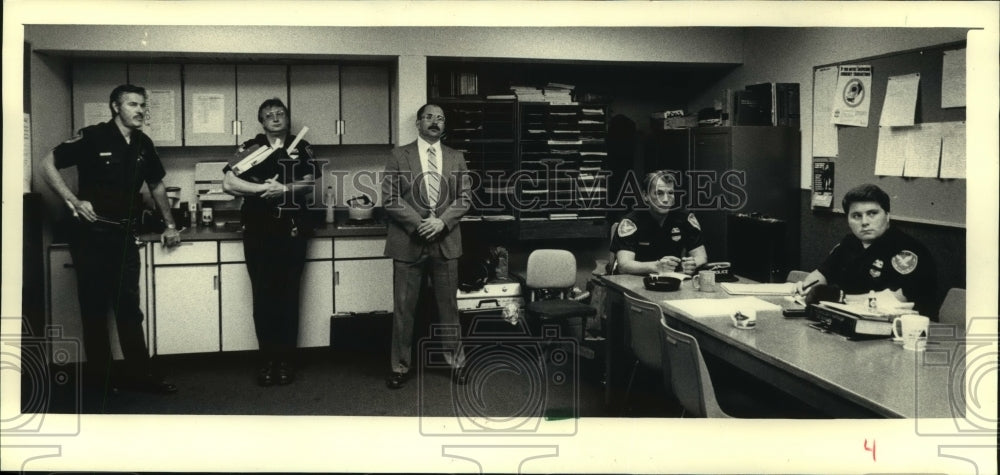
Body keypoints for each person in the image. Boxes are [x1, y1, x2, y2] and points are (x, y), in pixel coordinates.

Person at [40, 84, 180, 394]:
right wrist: (73, 201)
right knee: (94, 308)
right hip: (91, 235)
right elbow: (47, 163)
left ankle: (141, 377)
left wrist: (170, 224)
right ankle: (103, 381)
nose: (140, 110)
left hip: (124, 235)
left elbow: (156, 185)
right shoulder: (92, 137)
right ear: (115, 107)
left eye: (143, 105)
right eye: (132, 104)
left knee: (129, 308)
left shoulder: (144, 144)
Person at [222, 98, 317, 386]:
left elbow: (310, 181)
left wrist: (285, 188)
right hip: (258, 232)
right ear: (261, 123)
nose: (275, 118)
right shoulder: (251, 147)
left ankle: (286, 360)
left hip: (292, 231)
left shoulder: (301, 147)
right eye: (268, 115)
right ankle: (267, 360)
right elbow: (229, 183)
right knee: (263, 297)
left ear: (287, 118)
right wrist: (263, 189)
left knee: (288, 297)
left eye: (280, 113)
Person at [382, 104, 471, 389]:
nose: (435, 122)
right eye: (429, 117)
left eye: (441, 118)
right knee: (404, 308)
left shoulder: (456, 157)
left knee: (449, 308)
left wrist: (441, 223)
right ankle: (399, 366)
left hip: (445, 242)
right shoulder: (399, 155)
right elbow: (390, 197)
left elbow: (464, 198)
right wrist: (421, 222)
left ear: (445, 126)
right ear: (418, 123)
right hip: (408, 242)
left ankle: (456, 363)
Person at [795, 184, 937, 316]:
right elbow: (821, 274)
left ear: (887, 215)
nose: (864, 222)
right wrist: (808, 287)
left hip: (900, 328)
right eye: (856, 216)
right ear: (848, 220)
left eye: (872, 213)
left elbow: (897, 299)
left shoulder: (907, 249)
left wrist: (841, 299)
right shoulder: (850, 242)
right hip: (850, 318)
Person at [610, 170, 708, 276]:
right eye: (659, 193)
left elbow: (701, 256)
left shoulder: (684, 218)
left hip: (670, 281)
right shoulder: (631, 222)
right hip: (634, 280)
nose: (665, 199)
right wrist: (656, 266)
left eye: (670, 193)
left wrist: (693, 264)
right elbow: (624, 266)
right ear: (645, 196)